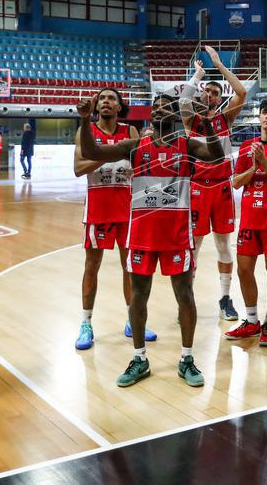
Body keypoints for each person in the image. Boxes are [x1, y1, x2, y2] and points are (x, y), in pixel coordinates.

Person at [76, 92, 223, 388]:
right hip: (142, 234)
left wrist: (206, 126)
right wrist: (83, 119)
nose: (157, 110)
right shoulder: (135, 146)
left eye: (164, 107)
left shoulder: (186, 144)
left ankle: (186, 358)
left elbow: (217, 156)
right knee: (139, 296)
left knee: (185, 295)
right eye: (154, 107)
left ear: (174, 114)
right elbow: (94, 153)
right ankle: (140, 358)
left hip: (177, 235)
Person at [73, 87, 156, 350]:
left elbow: (141, 166)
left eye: (112, 99)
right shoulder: (86, 131)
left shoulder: (130, 132)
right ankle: (86, 323)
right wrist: (107, 154)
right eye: (102, 99)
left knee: (130, 267)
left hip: (127, 210)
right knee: (91, 267)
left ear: (120, 106)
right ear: (96, 106)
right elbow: (78, 168)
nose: (106, 102)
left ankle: (133, 320)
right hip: (98, 209)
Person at [182, 46, 247, 321]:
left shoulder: (224, 118)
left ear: (220, 98)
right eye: (206, 92)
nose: (210, 95)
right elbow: (184, 100)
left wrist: (219, 64)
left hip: (221, 187)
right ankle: (187, 299)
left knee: (224, 245)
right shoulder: (191, 118)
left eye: (215, 92)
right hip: (197, 186)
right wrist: (197, 75)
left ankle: (225, 298)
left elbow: (242, 93)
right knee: (193, 246)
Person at [225, 98, 267, 346]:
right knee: (243, 270)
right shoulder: (246, 146)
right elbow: (235, 181)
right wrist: (253, 168)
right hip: (250, 219)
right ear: (260, 117)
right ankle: (251, 320)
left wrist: (264, 162)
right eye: (265, 113)